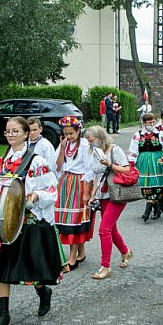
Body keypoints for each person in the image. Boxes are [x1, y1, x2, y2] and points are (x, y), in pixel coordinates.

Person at [0, 116, 64, 325]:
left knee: (32, 271)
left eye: (15, 131)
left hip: (29, 221)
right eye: (7, 131)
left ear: (26, 134)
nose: (10, 135)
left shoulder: (36, 161)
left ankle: (43, 292)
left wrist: (35, 196)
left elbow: (51, 189)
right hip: (6, 222)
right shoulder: (3, 161)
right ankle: (3, 314)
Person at [85, 125, 133, 280]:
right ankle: (126, 252)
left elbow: (127, 170)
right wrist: (93, 195)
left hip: (116, 193)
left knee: (104, 229)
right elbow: (96, 176)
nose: (90, 143)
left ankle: (105, 266)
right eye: (88, 141)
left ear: (100, 138)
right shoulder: (95, 152)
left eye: (92, 140)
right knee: (111, 229)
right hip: (103, 194)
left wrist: (109, 165)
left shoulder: (115, 150)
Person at [54, 115, 95, 270]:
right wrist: (62, 148)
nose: (68, 136)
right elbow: (58, 166)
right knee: (67, 218)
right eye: (66, 133)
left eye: (71, 133)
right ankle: (81, 253)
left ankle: (72, 258)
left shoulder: (84, 145)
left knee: (75, 219)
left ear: (79, 131)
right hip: (65, 182)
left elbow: (89, 169)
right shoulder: (64, 145)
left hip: (79, 183)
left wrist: (87, 192)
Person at [128, 112, 163, 222]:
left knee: (156, 183)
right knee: (146, 184)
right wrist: (132, 163)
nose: (152, 124)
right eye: (149, 122)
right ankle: (156, 208)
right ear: (144, 123)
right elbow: (133, 149)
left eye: (153, 122)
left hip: (157, 160)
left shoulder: (159, 134)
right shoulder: (138, 135)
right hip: (143, 162)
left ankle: (148, 209)